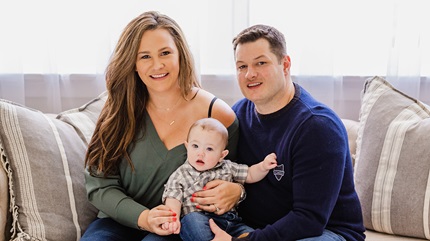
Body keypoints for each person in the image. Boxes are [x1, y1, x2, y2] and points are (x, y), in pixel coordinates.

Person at [80, 11, 242, 241]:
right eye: (145, 56)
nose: (157, 65)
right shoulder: (118, 109)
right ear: (133, 64)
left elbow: (233, 173)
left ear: (180, 56)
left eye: (165, 53)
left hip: (177, 226)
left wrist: (238, 192)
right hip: (117, 220)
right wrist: (144, 217)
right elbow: (99, 185)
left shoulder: (216, 114)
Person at [207, 25, 366, 241]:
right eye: (242, 66)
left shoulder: (317, 127)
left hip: (322, 232)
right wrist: (236, 190)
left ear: (285, 64)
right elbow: (227, 170)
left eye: (261, 63)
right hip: (253, 227)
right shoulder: (238, 114)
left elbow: (309, 219)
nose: (250, 74)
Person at [161, 118, 277, 240]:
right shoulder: (181, 175)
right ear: (187, 146)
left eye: (209, 149)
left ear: (222, 155)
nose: (201, 153)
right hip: (199, 219)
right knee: (191, 221)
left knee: (255, 235)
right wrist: (172, 221)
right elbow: (173, 199)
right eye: (195, 146)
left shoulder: (228, 167)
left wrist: (263, 166)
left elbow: (250, 174)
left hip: (231, 222)